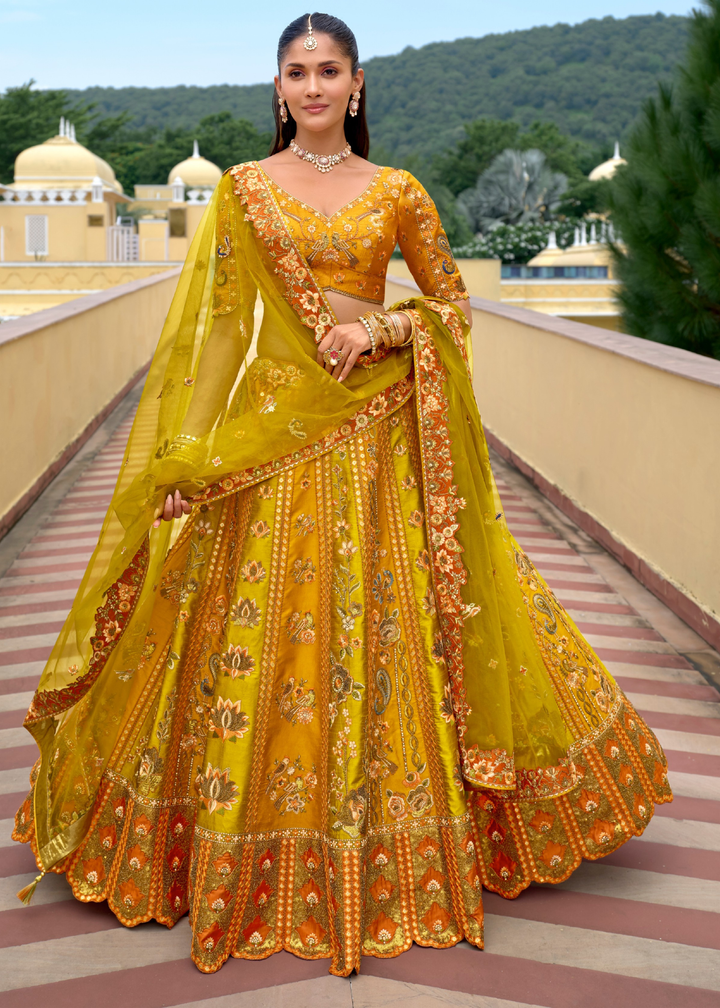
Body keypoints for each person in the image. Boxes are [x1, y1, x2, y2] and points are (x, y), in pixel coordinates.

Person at [13, 11, 671, 978]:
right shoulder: (244, 195)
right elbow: (218, 341)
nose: (313, 87)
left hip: (373, 443)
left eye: (329, 71)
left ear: (356, 84)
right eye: (296, 72)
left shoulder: (396, 192)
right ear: (277, 88)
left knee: (390, 626)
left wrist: (382, 333)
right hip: (268, 446)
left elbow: (451, 305)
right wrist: (186, 459)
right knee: (239, 631)